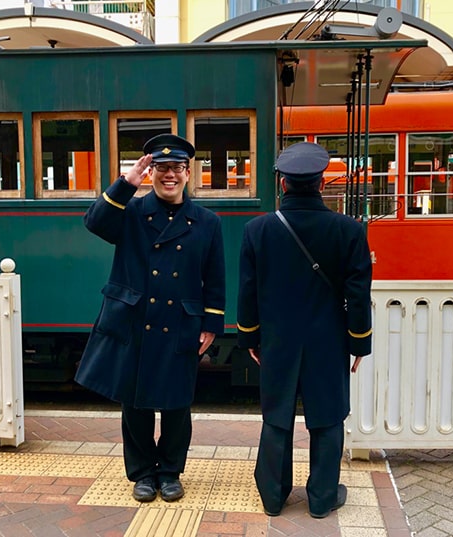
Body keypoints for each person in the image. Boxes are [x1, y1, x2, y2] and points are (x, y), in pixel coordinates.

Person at [75, 133, 226, 503]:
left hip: (181, 322)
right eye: (161, 168)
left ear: (188, 173)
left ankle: (170, 471)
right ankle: (142, 472)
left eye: (175, 168)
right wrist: (128, 181)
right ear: (152, 172)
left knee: (177, 403)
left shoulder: (206, 221)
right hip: (136, 318)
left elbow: (216, 276)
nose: (168, 175)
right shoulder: (132, 213)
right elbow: (94, 222)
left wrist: (211, 323)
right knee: (136, 402)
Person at [236, 142, 372, 518]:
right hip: (328, 341)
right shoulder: (349, 230)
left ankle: (273, 497)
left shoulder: (257, 230)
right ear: (322, 183)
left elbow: (248, 291)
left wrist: (250, 336)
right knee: (327, 418)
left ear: (282, 184)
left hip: (277, 340)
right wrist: (359, 342)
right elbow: (358, 293)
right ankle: (321, 498)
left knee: (276, 416)